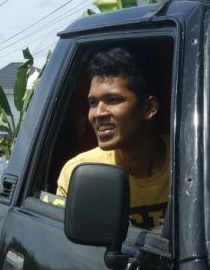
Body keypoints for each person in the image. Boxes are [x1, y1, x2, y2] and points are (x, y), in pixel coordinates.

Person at [56, 46, 169, 230]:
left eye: (113, 100)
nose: (98, 113)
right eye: (93, 103)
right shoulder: (79, 173)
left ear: (149, 108)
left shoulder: (192, 163)